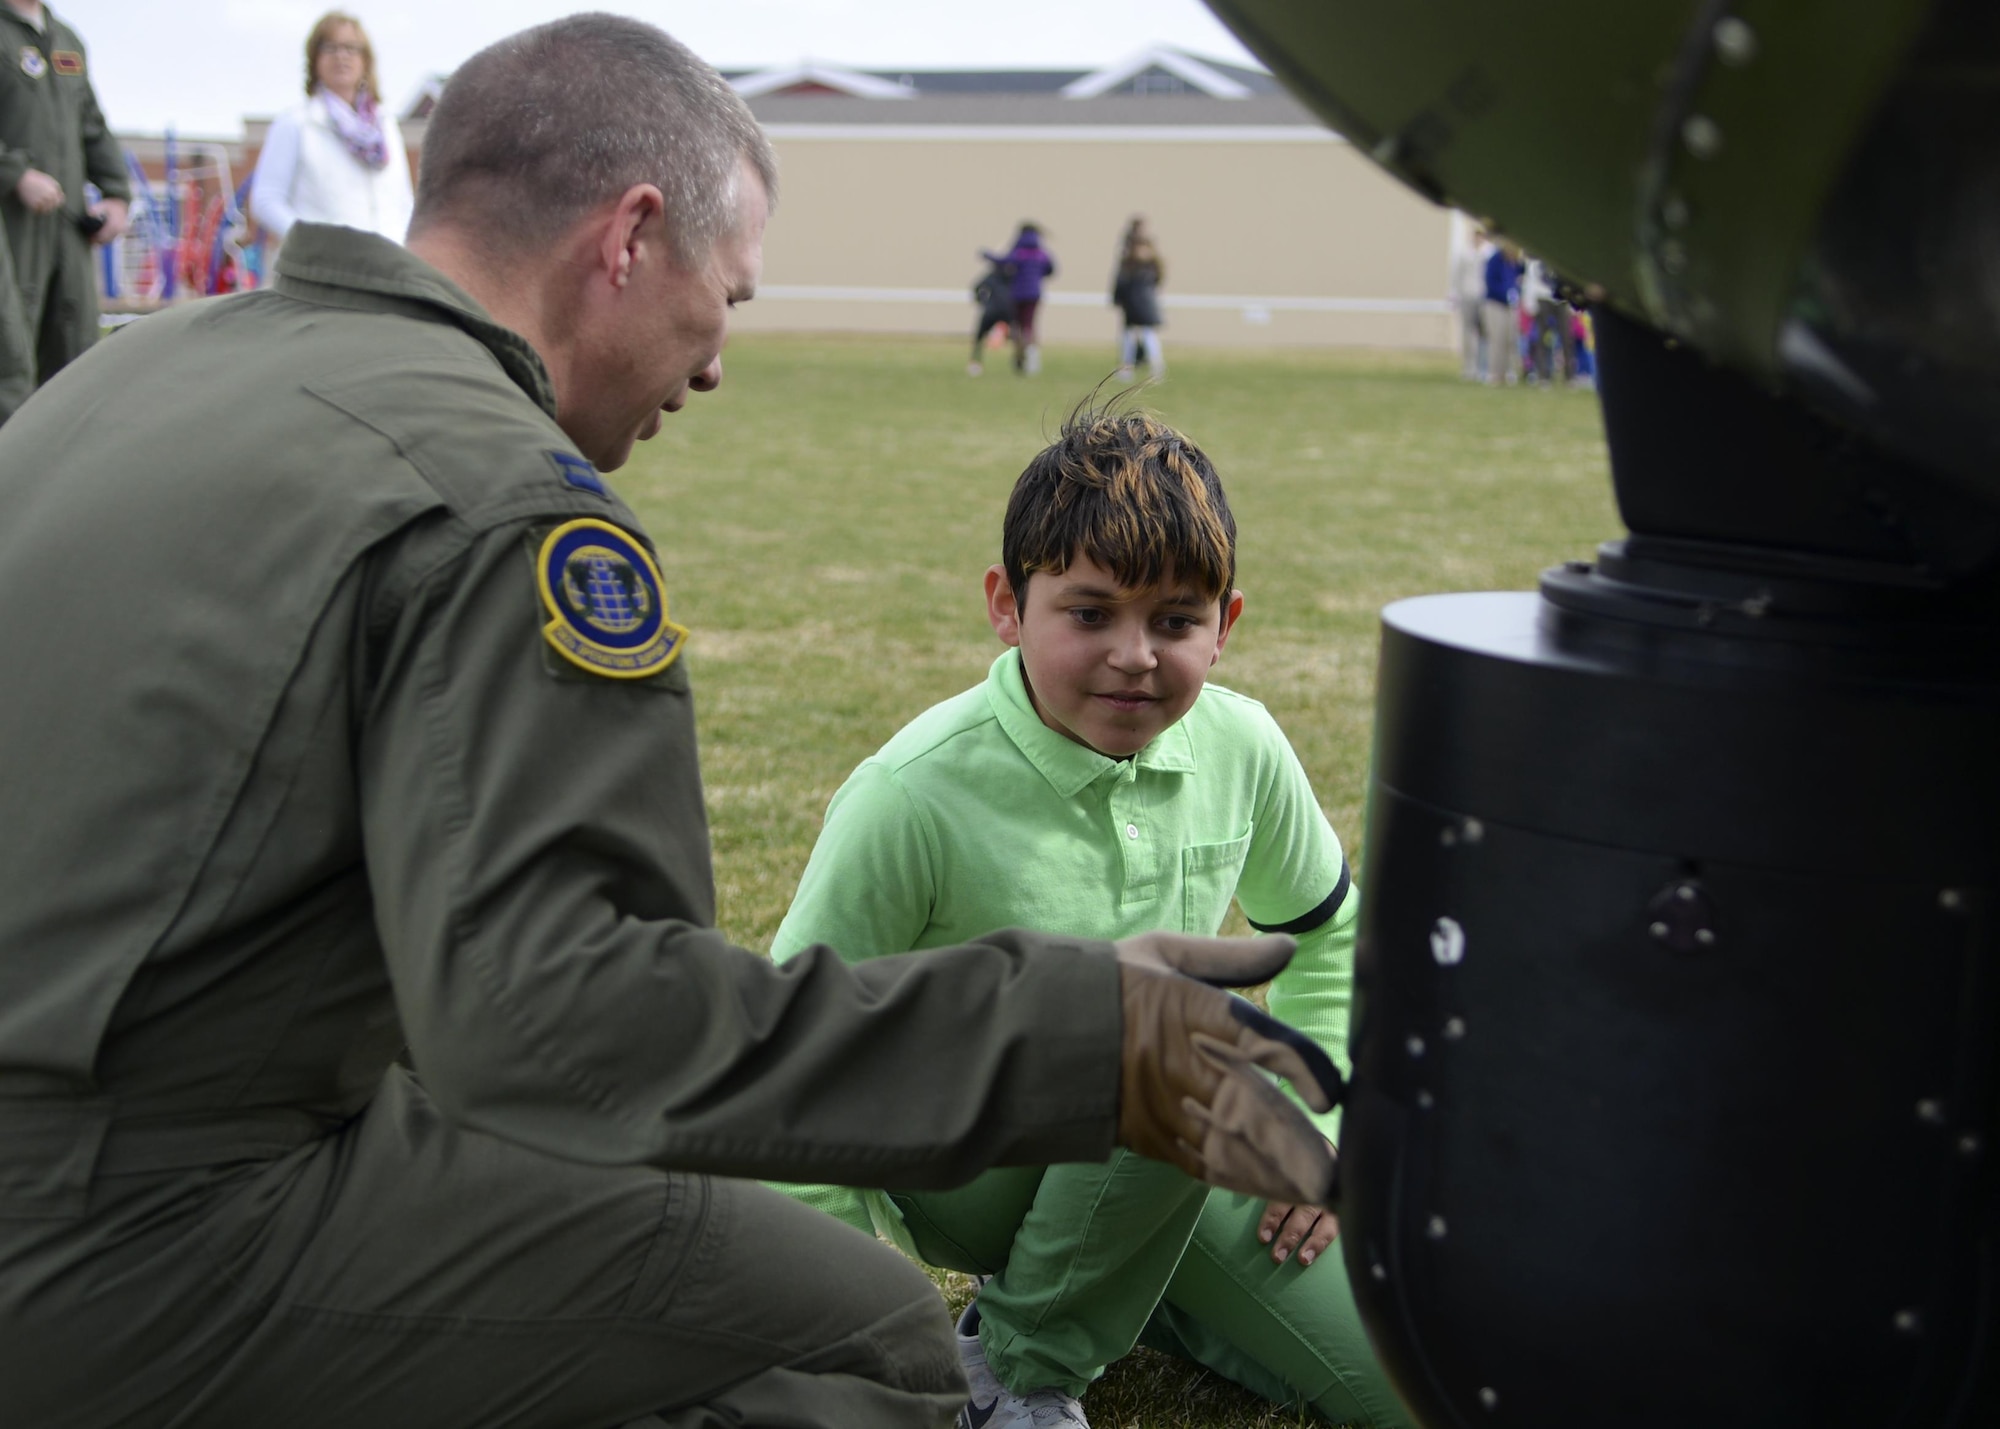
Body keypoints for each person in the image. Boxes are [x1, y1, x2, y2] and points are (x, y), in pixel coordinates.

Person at [0, 17, 1344, 1429]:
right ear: (631, 237)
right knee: (868, 1336)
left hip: (154, 1108)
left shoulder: (128, 371)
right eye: (731, 297)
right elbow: (573, 1033)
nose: (712, 368)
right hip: (124, 1228)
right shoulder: (507, 503)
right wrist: (1081, 1035)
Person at [768, 409, 1410, 1429]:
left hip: (1143, 1161)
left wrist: (1317, 1121)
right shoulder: (910, 794)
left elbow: (1331, 931)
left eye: (1172, 620)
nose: (1133, 655)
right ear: (1005, 607)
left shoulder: (1240, 743)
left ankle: (1111, 1300)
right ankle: (1020, 1367)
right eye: (1089, 613)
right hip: (958, 1169)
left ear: (1225, 625)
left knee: (1418, 1384)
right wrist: (879, 1341)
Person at [0, 0, 128, 423]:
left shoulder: (67, 40)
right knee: (9, 359)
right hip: (12, 231)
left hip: (66, 231)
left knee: (76, 363)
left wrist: (115, 194)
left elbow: (92, 125)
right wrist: (15, 174)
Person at [249, 10, 414, 246]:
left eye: (351, 48)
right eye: (330, 48)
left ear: (365, 60)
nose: (341, 57)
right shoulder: (297, 123)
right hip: (323, 271)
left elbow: (404, 202)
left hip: (388, 268)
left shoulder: (386, 126)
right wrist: (312, 245)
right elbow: (266, 201)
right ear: (314, 59)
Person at [984, 221, 1055, 375]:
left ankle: (1019, 358)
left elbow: (1003, 262)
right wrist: (1037, 275)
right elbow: (1051, 268)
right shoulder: (1041, 254)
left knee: (1017, 327)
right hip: (1034, 294)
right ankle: (1033, 362)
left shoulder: (1019, 252)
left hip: (1017, 294)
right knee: (1030, 326)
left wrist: (987, 255)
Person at [1111, 216, 1165, 381]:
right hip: (1135, 303)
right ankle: (1131, 368)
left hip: (1141, 303)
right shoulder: (1134, 261)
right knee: (1131, 337)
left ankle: (1155, 368)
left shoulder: (1144, 263)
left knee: (1146, 335)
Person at [1449, 224, 1492, 381]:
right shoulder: (1464, 253)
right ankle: (1469, 367)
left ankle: (1484, 367)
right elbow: (1456, 275)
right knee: (1468, 332)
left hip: (1484, 296)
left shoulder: (1488, 253)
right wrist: (1454, 294)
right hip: (1467, 294)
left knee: (1485, 333)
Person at [1480, 240, 1523, 386]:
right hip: (1495, 304)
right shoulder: (1495, 260)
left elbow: (1520, 279)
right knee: (1496, 339)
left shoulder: (1516, 262)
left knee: (1510, 340)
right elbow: (1490, 282)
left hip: (1511, 306)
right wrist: (1505, 294)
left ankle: (1509, 372)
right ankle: (1494, 373)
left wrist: (1516, 294)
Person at [968, 248, 1015, 375]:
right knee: (1018, 336)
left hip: (991, 309)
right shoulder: (1014, 276)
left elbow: (977, 288)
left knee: (979, 337)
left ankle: (975, 364)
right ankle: (1021, 364)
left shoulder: (992, 275)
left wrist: (983, 302)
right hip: (1009, 310)